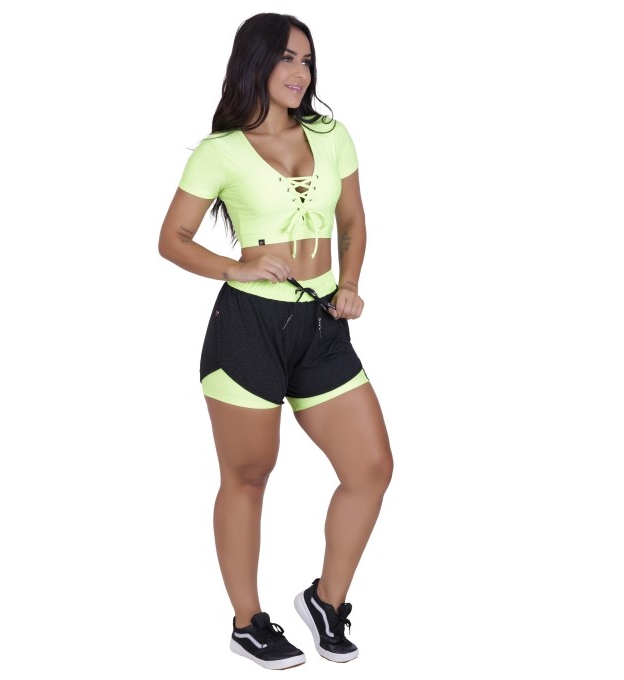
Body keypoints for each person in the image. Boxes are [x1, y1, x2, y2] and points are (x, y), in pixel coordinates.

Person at [158, 12, 393, 670]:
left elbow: (353, 219)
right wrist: (235, 267)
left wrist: (351, 283)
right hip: (247, 330)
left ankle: (326, 601)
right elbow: (171, 239)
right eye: (287, 58)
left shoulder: (331, 135)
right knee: (248, 475)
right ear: (254, 62)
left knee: (371, 468)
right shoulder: (221, 151)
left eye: (307, 60)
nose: (300, 72)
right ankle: (247, 622)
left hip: (322, 325)